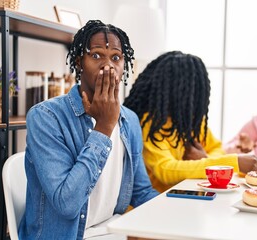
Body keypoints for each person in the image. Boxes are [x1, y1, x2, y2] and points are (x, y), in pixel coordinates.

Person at [18, 20, 158, 239]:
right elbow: (67, 204)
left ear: (124, 65)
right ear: (79, 62)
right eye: (96, 55)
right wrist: (104, 126)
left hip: (111, 234)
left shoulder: (129, 120)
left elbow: (141, 192)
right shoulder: (46, 117)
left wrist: (179, 209)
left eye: (116, 57)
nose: (107, 66)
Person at [124, 51, 257, 192]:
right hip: (158, 202)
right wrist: (233, 162)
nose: (192, 99)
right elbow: (165, 170)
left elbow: (217, 148)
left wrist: (203, 158)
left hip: (188, 198)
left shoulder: (192, 121)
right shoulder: (152, 125)